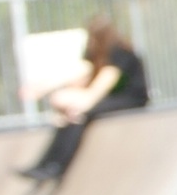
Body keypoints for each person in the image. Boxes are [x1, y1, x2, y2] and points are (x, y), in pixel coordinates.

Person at [18, 15, 146, 183]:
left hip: (131, 98)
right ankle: (44, 165)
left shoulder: (119, 52)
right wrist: (41, 88)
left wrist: (85, 104)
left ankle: (56, 166)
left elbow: (105, 82)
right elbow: (78, 72)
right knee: (70, 117)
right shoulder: (95, 53)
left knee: (78, 115)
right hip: (110, 98)